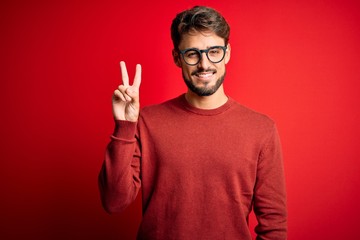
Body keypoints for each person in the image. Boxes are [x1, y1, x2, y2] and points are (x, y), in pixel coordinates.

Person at [98, 5, 287, 240]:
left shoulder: (261, 129)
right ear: (177, 57)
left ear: (227, 53)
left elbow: (274, 227)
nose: (204, 64)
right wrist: (125, 126)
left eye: (214, 51)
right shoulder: (148, 121)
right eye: (192, 54)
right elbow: (114, 202)